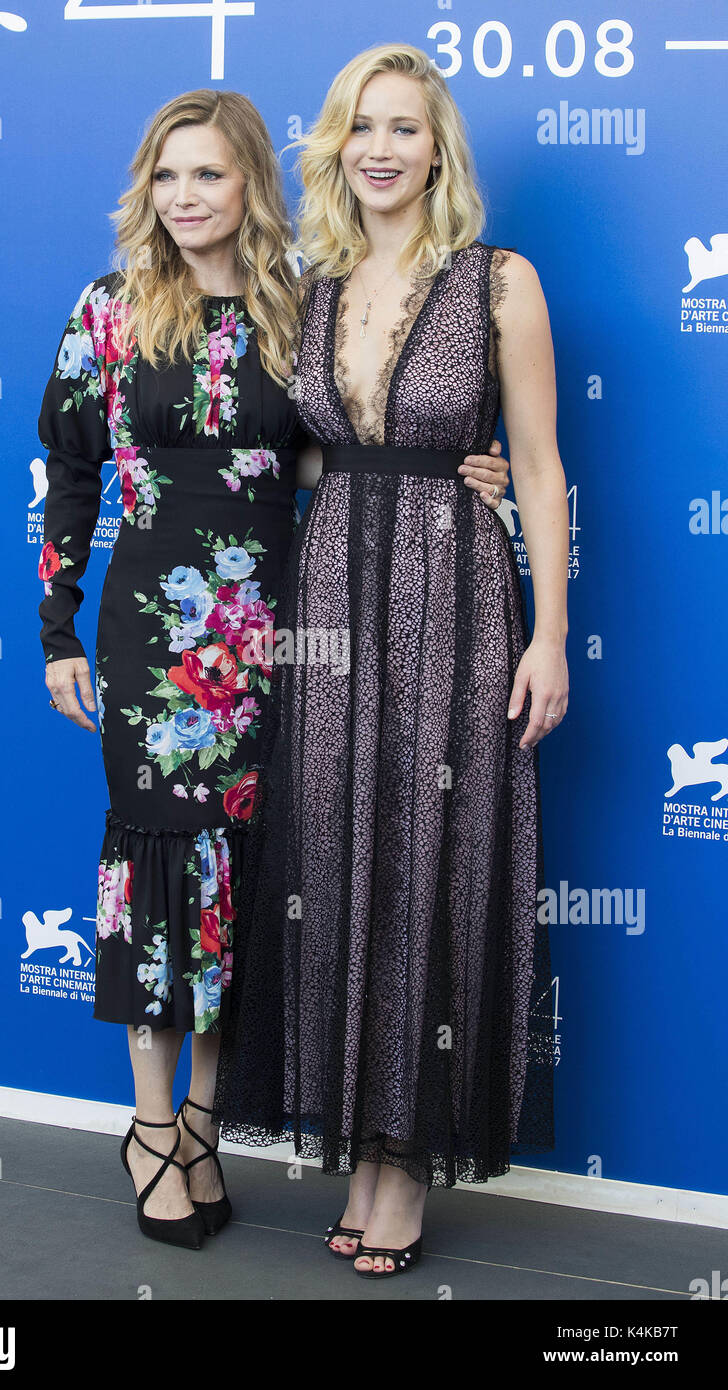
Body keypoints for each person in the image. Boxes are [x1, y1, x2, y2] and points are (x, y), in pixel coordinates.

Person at [37, 86, 512, 1253]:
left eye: (208, 174)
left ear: (251, 184)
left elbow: (332, 455)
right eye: (166, 176)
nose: (185, 197)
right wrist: (54, 629)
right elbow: (69, 478)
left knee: (246, 885)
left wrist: (459, 470)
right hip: (153, 642)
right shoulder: (107, 311)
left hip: (277, 635)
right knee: (157, 880)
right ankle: (151, 1134)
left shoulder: (297, 308)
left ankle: (204, 1126)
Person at [213, 43, 568, 1279]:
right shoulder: (307, 290)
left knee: (426, 865)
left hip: (457, 597)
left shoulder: (498, 282)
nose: (381, 148)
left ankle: (403, 1164)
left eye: (406, 129)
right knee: (336, 860)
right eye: (362, 126)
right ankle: (358, 1145)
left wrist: (551, 632)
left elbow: (535, 467)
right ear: (336, 143)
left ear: (439, 150)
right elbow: (310, 453)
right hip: (329, 603)